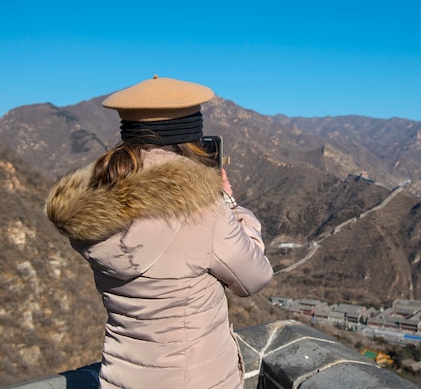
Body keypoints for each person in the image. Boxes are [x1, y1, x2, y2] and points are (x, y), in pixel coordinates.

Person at [46, 75, 274, 388]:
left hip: (119, 378)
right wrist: (232, 206)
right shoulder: (203, 212)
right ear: (191, 139)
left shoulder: (93, 207)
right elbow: (254, 277)